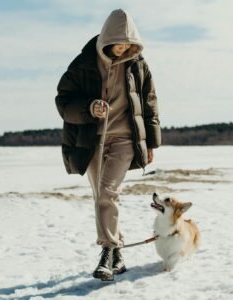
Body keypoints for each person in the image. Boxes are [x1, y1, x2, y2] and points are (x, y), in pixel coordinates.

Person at [55, 9, 161, 281]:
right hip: (92, 141)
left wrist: (151, 142)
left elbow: (149, 103)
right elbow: (63, 102)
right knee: (102, 197)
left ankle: (108, 251)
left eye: (128, 45)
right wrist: (90, 108)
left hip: (125, 139)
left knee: (107, 192)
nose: (123, 50)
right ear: (106, 40)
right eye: (118, 45)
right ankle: (118, 255)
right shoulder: (83, 64)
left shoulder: (138, 65)